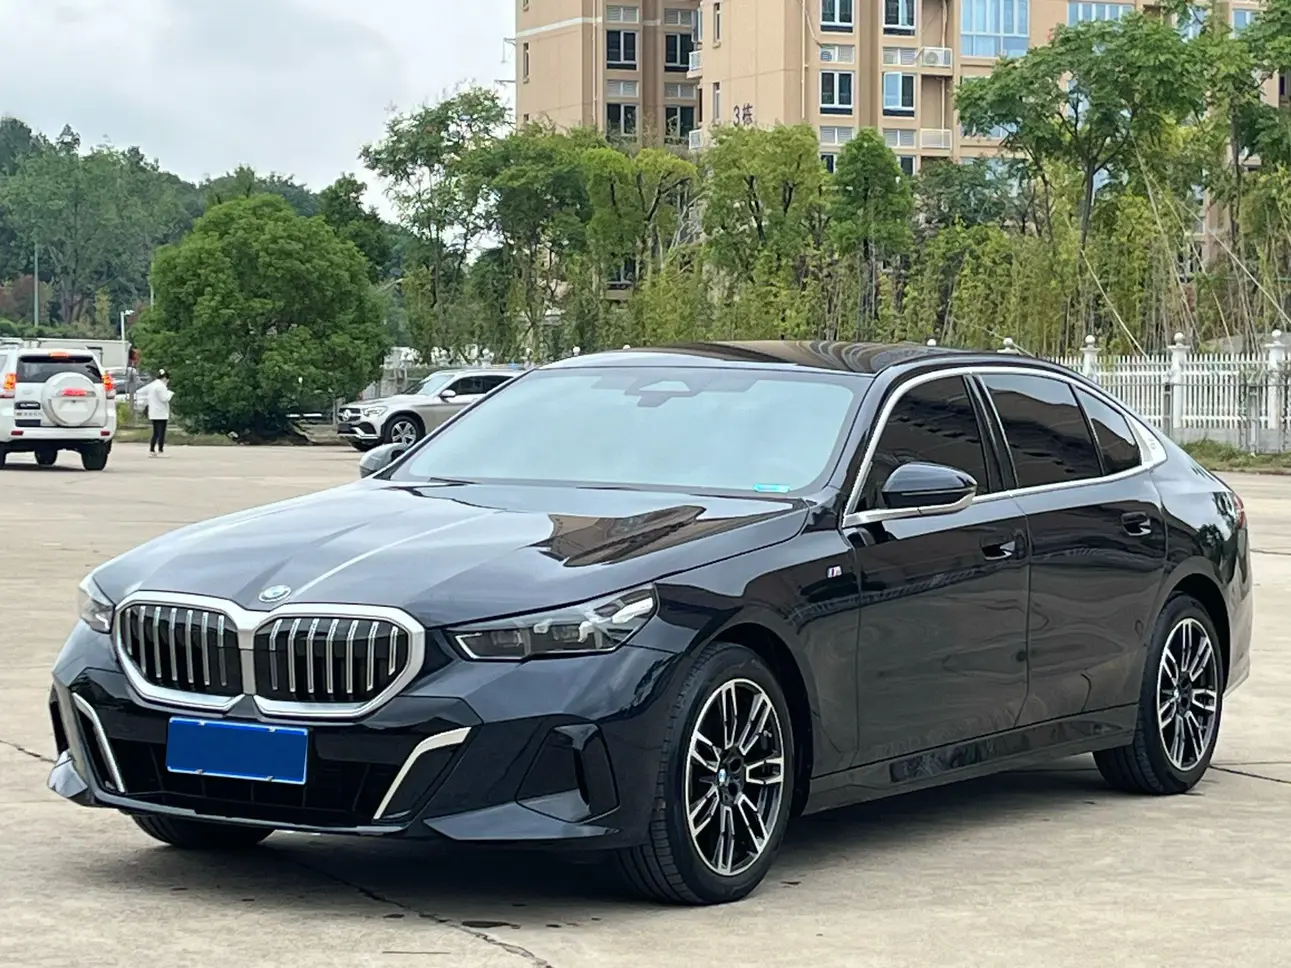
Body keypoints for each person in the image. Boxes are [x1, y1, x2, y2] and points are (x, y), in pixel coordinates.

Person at [146, 369, 175, 457]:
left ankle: (152, 450)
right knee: (161, 432)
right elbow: (164, 399)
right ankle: (160, 450)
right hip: (161, 413)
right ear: (165, 378)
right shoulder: (161, 386)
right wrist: (170, 393)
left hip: (153, 412)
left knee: (155, 432)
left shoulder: (153, 385)